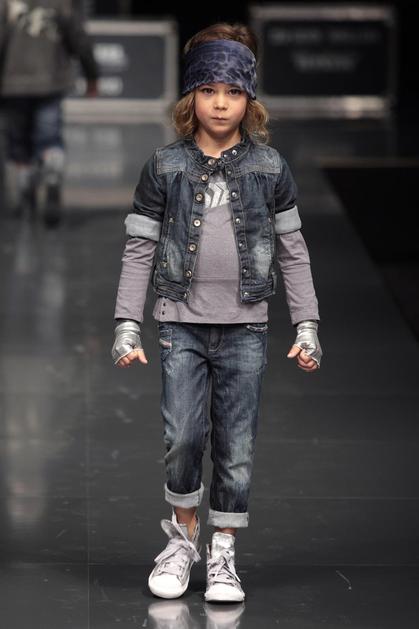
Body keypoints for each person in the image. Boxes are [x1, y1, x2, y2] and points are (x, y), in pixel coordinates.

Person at [111, 22, 323, 603]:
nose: (221, 103)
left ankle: (223, 550)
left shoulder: (271, 169)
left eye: (233, 91)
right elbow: (139, 248)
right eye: (208, 90)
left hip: (246, 327)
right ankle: (182, 539)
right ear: (191, 97)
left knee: (237, 447)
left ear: (250, 98)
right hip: (179, 322)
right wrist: (127, 322)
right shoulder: (164, 166)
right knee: (182, 436)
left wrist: (307, 324)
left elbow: (293, 249)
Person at [0, 0, 98, 225]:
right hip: (51, 81)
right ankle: (52, 170)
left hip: (13, 83)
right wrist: (92, 74)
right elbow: (79, 38)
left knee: (18, 143)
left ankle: (24, 190)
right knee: (49, 137)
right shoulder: (61, 3)